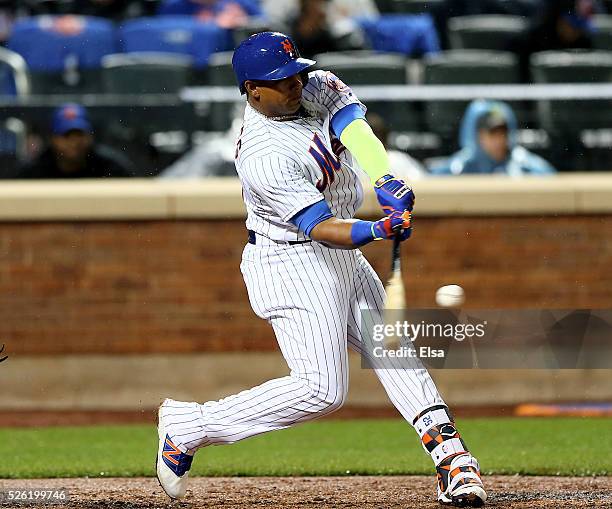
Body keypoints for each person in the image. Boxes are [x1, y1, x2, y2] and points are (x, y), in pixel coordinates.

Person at [155, 32, 487, 508]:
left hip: (338, 253)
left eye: (295, 73)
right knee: (322, 389)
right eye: (280, 81)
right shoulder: (262, 155)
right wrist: (378, 230)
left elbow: (354, 126)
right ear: (252, 90)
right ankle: (191, 426)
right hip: (291, 258)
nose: (294, 84)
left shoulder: (311, 84)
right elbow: (320, 226)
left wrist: (385, 177)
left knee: (393, 349)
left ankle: (453, 461)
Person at [431, 100, 556, 176]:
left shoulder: (525, 166)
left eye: (502, 133)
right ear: (478, 136)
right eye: (491, 134)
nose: (498, 141)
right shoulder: (459, 168)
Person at [15, 103, 134, 179]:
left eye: (79, 134)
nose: (74, 142)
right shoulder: (34, 172)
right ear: (52, 139)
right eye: (66, 135)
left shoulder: (112, 168)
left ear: (90, 137)